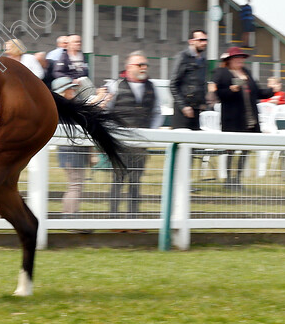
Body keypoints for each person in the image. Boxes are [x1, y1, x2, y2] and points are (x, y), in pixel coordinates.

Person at [105, 51, 163, 217]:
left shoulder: (152, 87)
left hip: (140, 144)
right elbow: (106, 111)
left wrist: (150, 133)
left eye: (146, 64)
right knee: (118, 181)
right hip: (120, 144)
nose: (144, 68)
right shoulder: (115, 86)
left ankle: (134, 218)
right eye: (140, 65)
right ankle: (113, 219)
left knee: (135, 182)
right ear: (129, 67)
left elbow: (158, 112)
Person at [214, 46, 273, 191]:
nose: (240, 60)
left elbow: (258, 92)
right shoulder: (222, 73)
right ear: (230, 60)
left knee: (245, 150)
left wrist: (272, 90)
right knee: (231, 150)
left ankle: (237, 178)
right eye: (237, 58)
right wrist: (231, 90)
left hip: (249, 118)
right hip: (232, 119)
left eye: (241, 58)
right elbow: (219, 94)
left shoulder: (247, 73)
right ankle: (228, 179)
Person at [51, 77, 91, 226]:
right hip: (71, 152)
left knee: (74, 184)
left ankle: (70, 215)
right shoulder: (63, 108)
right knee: (75, 185)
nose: (73, 91)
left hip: (71, 152)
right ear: (62, 91)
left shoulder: (65, 106)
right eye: (70, 88)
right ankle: (70, 217)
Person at [170, 29, 208, 130]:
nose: (204, 43)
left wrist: (203, 102)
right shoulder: (182, 57)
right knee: (181, 143)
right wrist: (183, 106)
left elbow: (202, 83)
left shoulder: (203, 60)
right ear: (191, 41)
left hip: (196, 109)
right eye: (201, 40)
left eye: (205, 40)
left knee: (196, 143)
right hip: (184, 110)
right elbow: (173, 84)